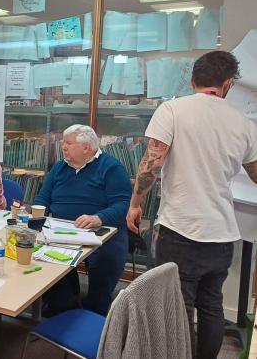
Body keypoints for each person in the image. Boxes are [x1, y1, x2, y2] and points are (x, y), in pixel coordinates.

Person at [126, 51, 257, 359]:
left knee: (178, 307)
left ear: (193, 80)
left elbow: (150, 166)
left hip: (181, 229)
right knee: (211, 305)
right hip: (223, 234)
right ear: (227, 84)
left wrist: (135, 203)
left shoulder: (172, 110)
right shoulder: (243, 123)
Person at [34, 124, 131, 316]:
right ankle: (64, 304)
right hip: (60, 228)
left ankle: (95, 310)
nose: (63, 147)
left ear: (86, 147)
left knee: (107, 258)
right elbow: (42, 198)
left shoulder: (111, 168)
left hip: (101, 229)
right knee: (38, 252)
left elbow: (122, 205)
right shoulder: (60, 168)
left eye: (68, 143)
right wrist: (35, 218)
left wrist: (99, 218)